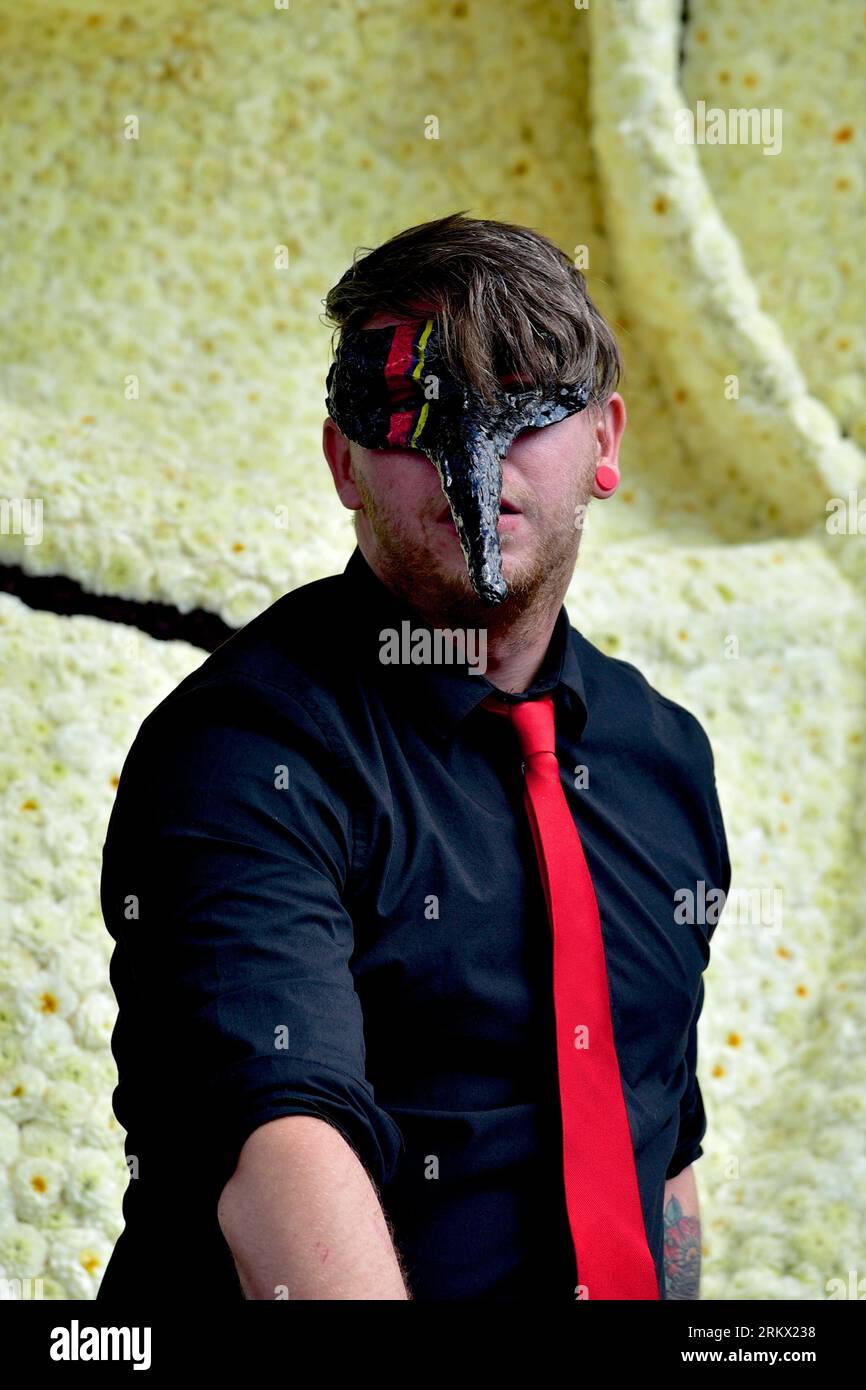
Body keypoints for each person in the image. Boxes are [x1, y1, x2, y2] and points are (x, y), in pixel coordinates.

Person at [98, 211, 730, 1302]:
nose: (467, 455)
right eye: (411, 412)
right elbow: (281, 1153)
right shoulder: (244, 752)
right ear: (344, 460)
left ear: (604, 444)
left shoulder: (659, 757)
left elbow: (658, 1148)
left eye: (523, 398)